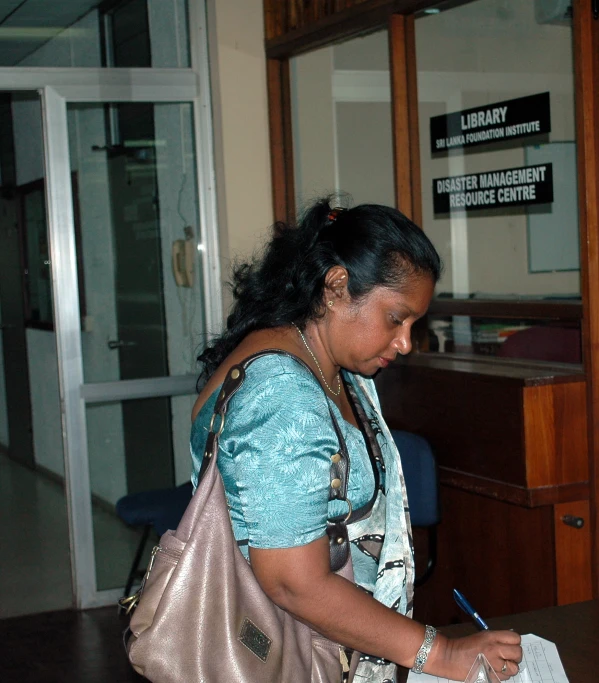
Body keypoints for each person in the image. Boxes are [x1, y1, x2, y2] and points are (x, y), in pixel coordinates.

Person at [190, 198, 522, 681]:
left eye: (414, 324)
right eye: (396, 318)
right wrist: (443, 653)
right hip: (283, 656)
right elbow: (294, 583)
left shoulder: (328, 363)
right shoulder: (281, 394)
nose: (406, 342)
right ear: (337, 287)